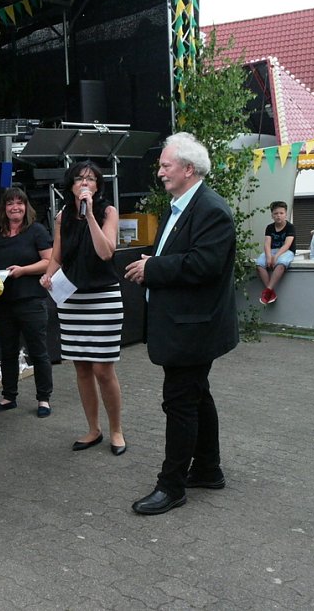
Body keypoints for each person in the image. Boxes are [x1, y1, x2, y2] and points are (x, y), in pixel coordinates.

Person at [124, 132, 238, 516]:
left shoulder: (211, 209)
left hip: (195, 328)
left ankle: (171, 486)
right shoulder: (181, 205)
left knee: (180, 402)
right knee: (196, 395)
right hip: (182, 324)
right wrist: (154, 264)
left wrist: (153, 267)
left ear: (189, 169)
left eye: (165, 166)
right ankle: (208, 469)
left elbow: (204, 265)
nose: (160, 172)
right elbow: (183, 257)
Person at [41, 161, 126, 455]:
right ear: (71, 185)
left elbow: (106, 251)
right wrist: (48, 274)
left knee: (104, 369)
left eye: (91, 179)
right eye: (79, 179)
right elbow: (57, 254)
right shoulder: (63, 216)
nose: (85, 183)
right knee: (82, 367)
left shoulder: (108, 212)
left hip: (103, 298)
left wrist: (89, 215)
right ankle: (93, 429)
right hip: (73, 299)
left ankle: (116, 429)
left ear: (98, 186)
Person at [0, 187, 54, 417]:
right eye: (10, 203)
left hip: (31, 300)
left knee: (38, 351)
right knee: (8, 351)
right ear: (3, 208)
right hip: (4, 301)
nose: (15, 207)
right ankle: (8, 396)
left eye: (20, 203)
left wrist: (24, 270)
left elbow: (50, 262)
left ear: (26, 207)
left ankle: (43, 399)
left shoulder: (36, 231)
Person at [256, 200, 296, 305]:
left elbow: (287, 245)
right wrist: (269, 256)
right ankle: (271, 292)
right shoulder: (269, 227)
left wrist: (276, 256)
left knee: (281, 263)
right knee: (259, 263)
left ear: (286, 214)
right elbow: (267, 244)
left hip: (286, 251)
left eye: (281, 213)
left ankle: (267, 290)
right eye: (276, 213)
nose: (278, 216)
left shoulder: (290, 227)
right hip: (272, 250)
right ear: (272, 215)